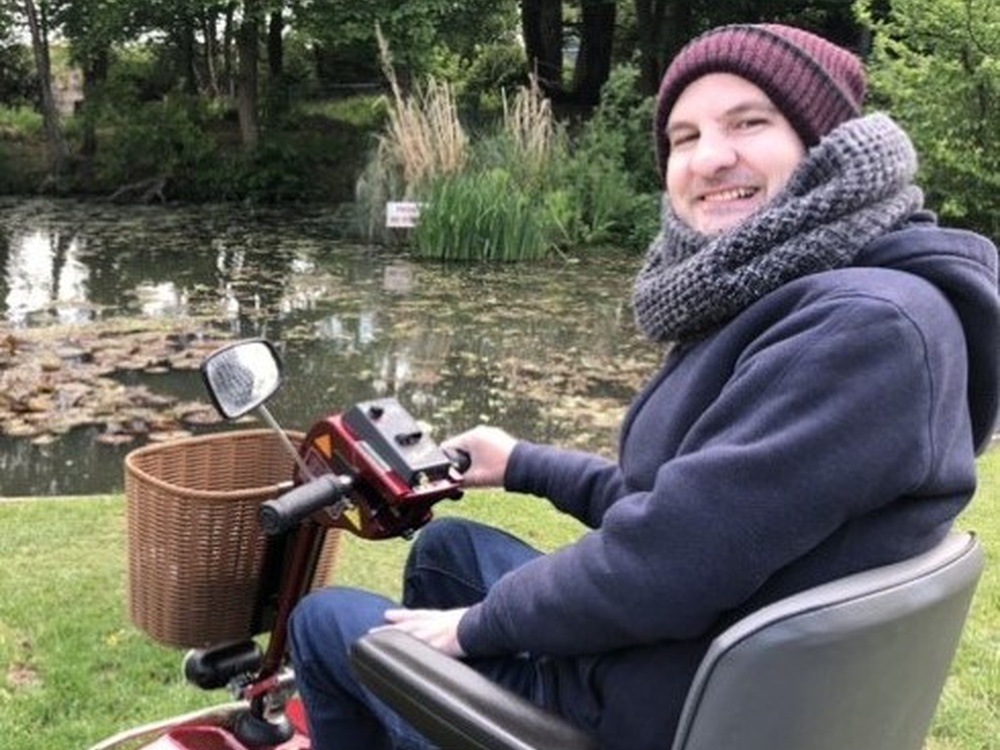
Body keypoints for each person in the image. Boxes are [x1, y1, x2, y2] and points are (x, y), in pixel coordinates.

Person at [288, 23, 1000, 750]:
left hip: (650, 706)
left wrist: (472, 629)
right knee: (449, 550)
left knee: (322, 624)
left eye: (749, 123)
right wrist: (525, 463)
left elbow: (662, 563)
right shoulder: (807, 293)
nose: (710, 157)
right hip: (689, 648)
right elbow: (685, 506)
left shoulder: (860, 329)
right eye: (685, 138)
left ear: (827, 143)